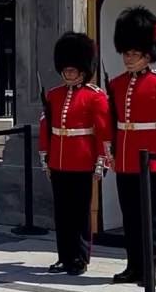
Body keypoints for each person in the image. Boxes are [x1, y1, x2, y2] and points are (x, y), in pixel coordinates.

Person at [108, 6, 156, 287]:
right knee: (130, 216)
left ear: (148, 54)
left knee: (150, 217)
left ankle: (151, 268)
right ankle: (133, 265)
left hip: (151, 157)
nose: (129, 58)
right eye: (126, 53)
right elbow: (113, 123)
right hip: (126, 158)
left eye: (134, 54)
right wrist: (112, 154)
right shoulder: (116, 84)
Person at [39, 32, 111, 276]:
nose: (69, 74)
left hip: (82, 161)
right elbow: (46, 128)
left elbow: (103, 131)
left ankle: (80, 257)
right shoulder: (54, 95)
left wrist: (101, 160)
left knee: (80, 213)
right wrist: (46, 157)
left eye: (73, 70)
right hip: (59, 161)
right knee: (62, 213)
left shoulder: (95, 96)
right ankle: (64, 256)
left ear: (83, 70)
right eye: (66, 70)